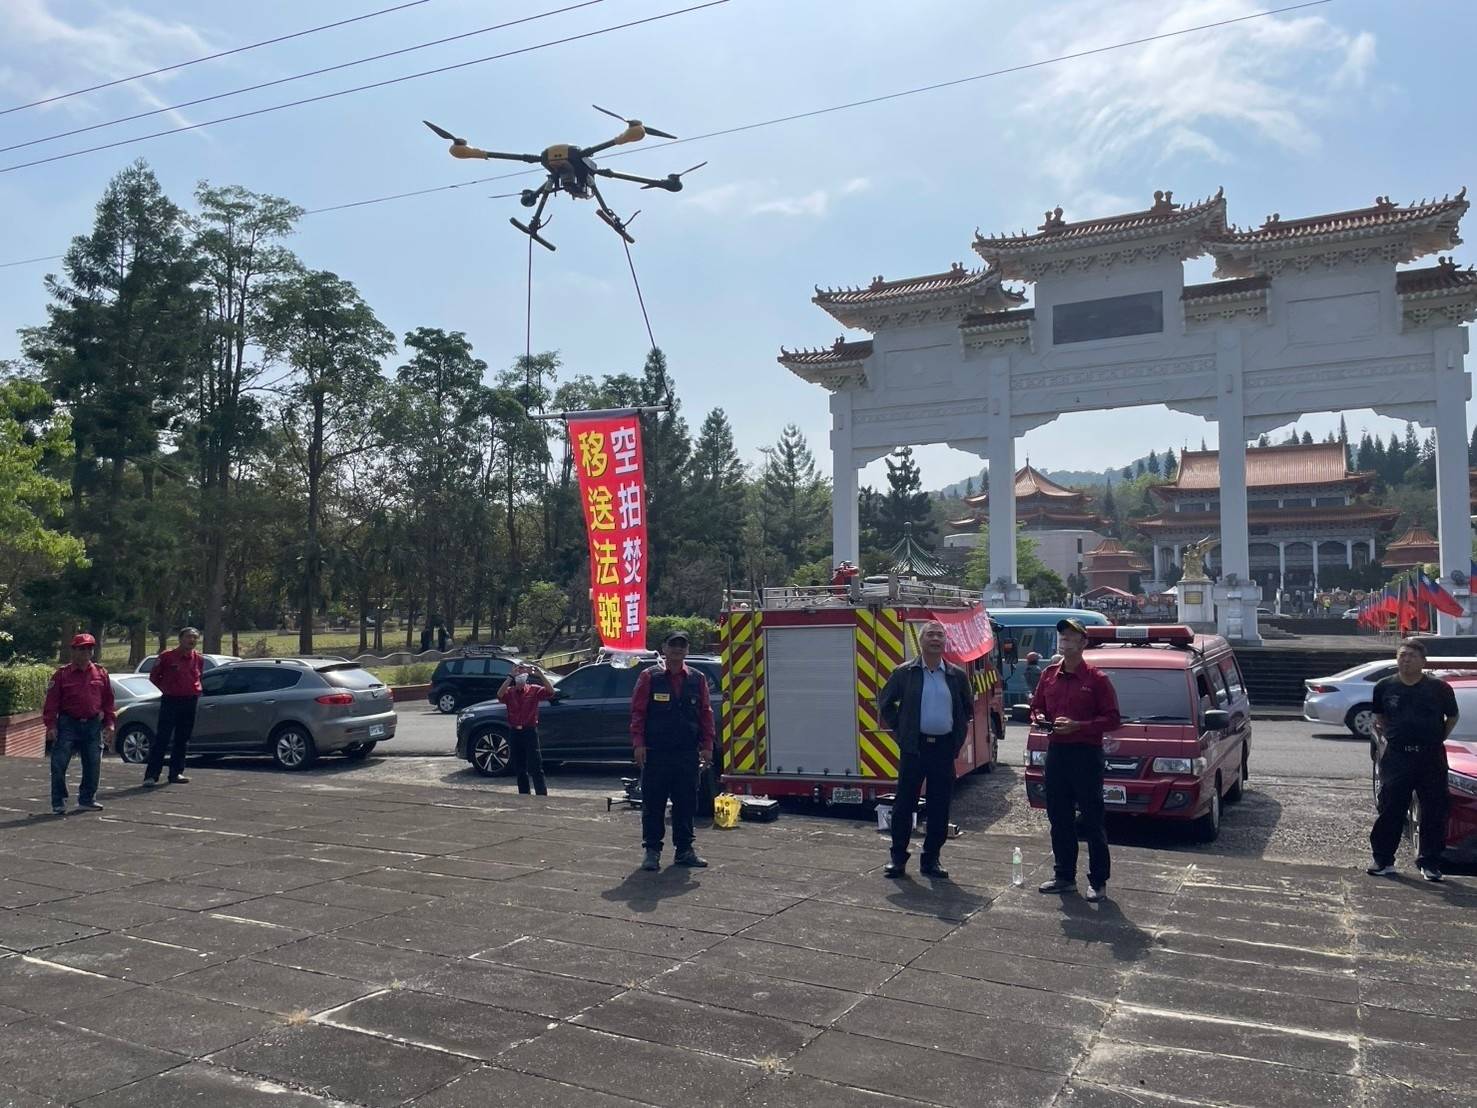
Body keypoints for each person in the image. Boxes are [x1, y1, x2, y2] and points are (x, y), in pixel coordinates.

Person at [1029, 618, 1121, 901]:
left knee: (1092, 820)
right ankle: (1064, 875)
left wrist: (1078, 725)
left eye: (1071, 636)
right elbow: (1037, 708)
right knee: (1059, 818)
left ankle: (1098, 880)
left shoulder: (1097, 679)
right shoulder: (1049, 675)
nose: (1065, 639)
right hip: (1057, 753)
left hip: (1085, 753)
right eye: (1062, 635)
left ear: (1083, 643)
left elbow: (1113, 719)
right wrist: (1041, 719)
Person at [877, 620, 974, 879]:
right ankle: (898, 859)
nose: (935, 638)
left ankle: (932, 860)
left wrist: (956, 740)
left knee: (939, 807)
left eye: (940, 635)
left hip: (943, 750)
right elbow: (885, 704)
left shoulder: (956, 675)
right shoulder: (904, 673)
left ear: (945, 642)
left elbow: (966, 710)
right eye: (930, 634)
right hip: (914, 749)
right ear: (920, 642)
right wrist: (903, 731)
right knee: (904, 805)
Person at [1368, 638, 1457, 882]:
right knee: (1390, 807)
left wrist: (1436, 738)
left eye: (1412, 656)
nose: (1406, 660)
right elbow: (1379, 717)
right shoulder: (1384, 686)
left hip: (1430, 756)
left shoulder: (1439, 688)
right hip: (1397, 756)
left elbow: (1452, 717)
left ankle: (1429, 863)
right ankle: (1383, 859)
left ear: (1423, 661)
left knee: (1433, 809)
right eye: (1402, 655)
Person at [630, 632, 714, 871]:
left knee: (686, 802)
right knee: (653, 802)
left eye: (682, 646)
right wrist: (638, 743)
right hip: (656, 751)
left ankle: (685, 850)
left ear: (687, 650)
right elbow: (638, 712)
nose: (677, 649)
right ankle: (652, 851)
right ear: (664, 648)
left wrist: (707, 746)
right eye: (673, 645)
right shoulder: (649, 677)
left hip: (686, 752)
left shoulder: (697, 679)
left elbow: (705, 714)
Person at [42, 633, 116, 816]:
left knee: (93, 764)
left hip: (92, 724)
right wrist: (50, 725)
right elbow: (51, 702)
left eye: (89, 648)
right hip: (68, 723)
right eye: (81, 648)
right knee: (59, 764)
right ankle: (59, 802)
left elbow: (108, 701)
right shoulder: (62, 675)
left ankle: (87, 799)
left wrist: (110, 723)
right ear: (73, 651)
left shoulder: (101, 673)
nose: (86, 652)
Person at [144, 626, 203, 787]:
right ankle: (151, 775)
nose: (191, 640)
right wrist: (168, 689)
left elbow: (199, 676)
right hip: (171, 701)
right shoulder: (167, 657)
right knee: (162, 738)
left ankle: (176, 772)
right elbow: (154, 677)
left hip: (190, 701)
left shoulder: (198, 658)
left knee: (183, 739)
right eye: (188, 637)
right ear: (180, 639)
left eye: (195, 638)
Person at [496, 663, 555, 796]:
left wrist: (540, 674)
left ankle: (541, 795)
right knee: (519, 767)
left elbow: (551, 691)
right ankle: (524, 795)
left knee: (535, 766)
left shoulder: (534, 690)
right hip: (515, 732)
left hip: (529, 731)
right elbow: (499, 695)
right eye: (519, 673)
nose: (520, 676)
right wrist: (510, 677)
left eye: (523, 673)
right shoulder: (510, 692)